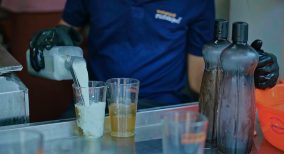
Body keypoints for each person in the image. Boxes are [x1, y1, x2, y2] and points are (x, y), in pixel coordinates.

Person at [29, 0, 278, 109]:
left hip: (161, 107)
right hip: (95, 102)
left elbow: (197, 77)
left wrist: (243, 76)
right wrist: (56, 36)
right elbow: (68, 28)